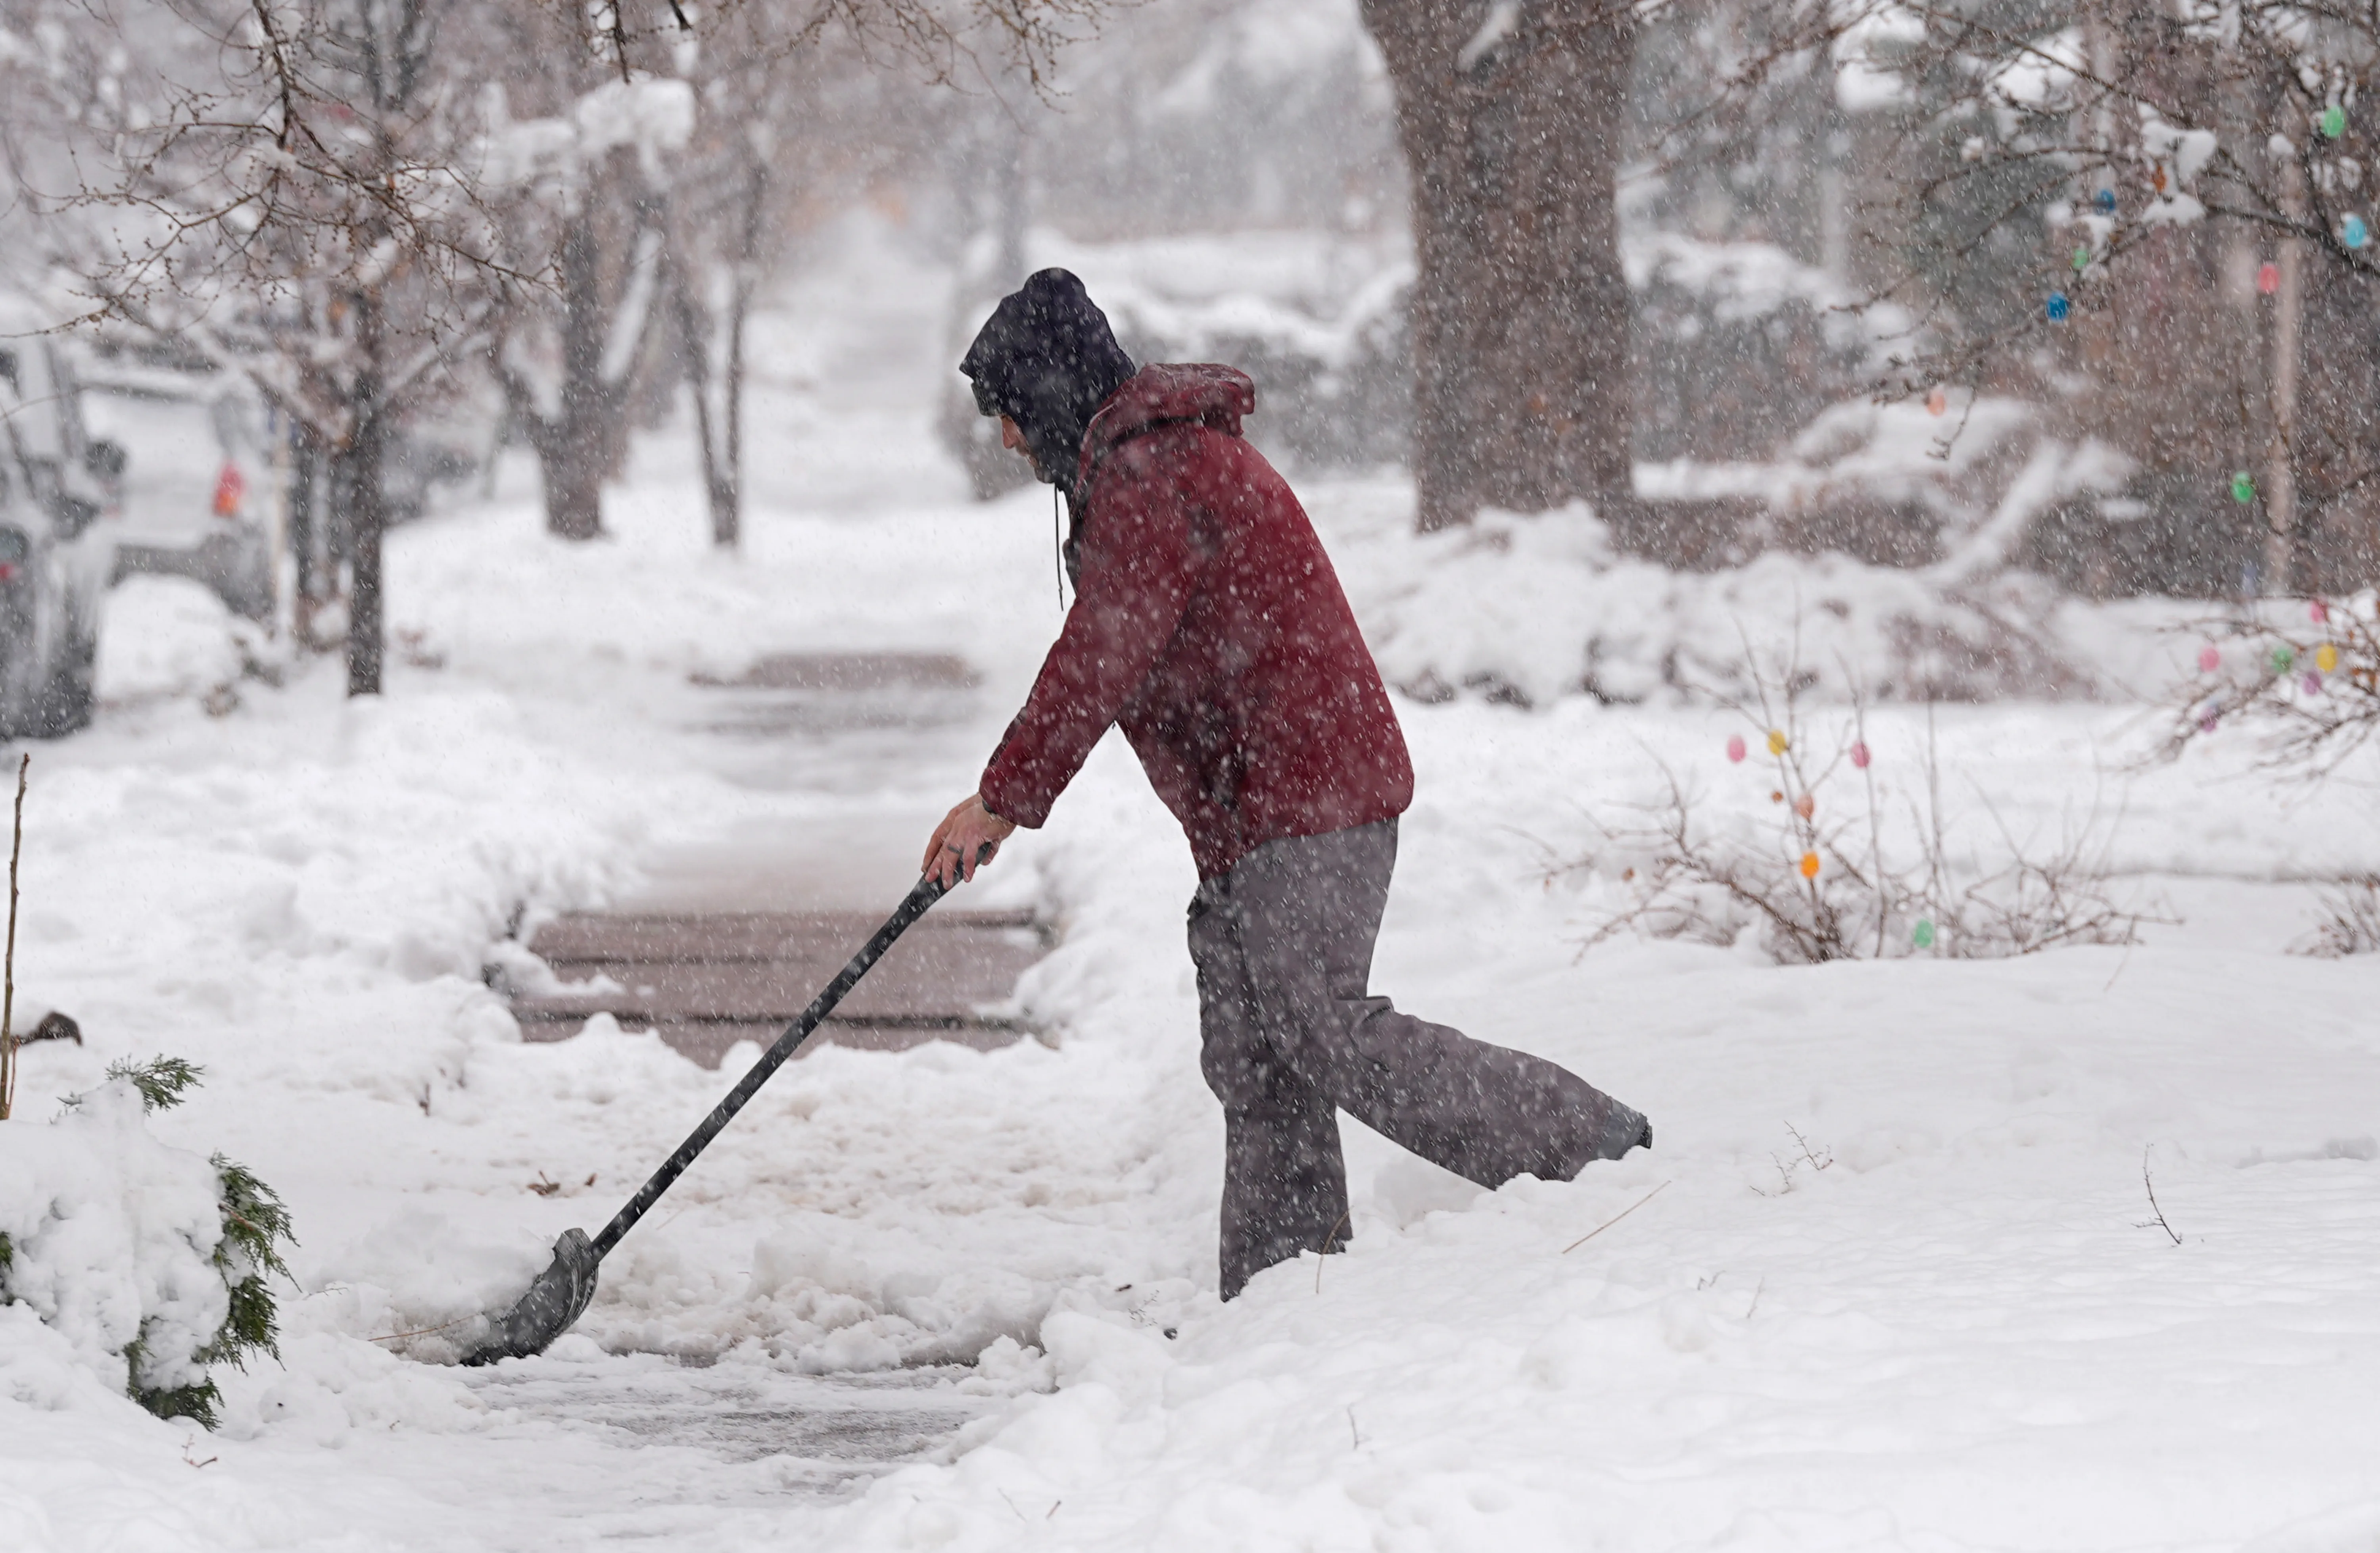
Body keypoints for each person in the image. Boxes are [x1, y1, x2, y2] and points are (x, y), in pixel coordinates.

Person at [924, 269, 1649, 1299]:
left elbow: (1102, 655)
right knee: (1257, 1056)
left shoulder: (1155, 474)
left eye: (1007, 411)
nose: (1005, 439)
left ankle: (1595, 1151)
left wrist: (1000, 800)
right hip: (1258, 814)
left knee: (1319, 1024)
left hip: (1310, 798)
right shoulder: (1144, 466)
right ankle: (1283, 1296)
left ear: (1046, 390)